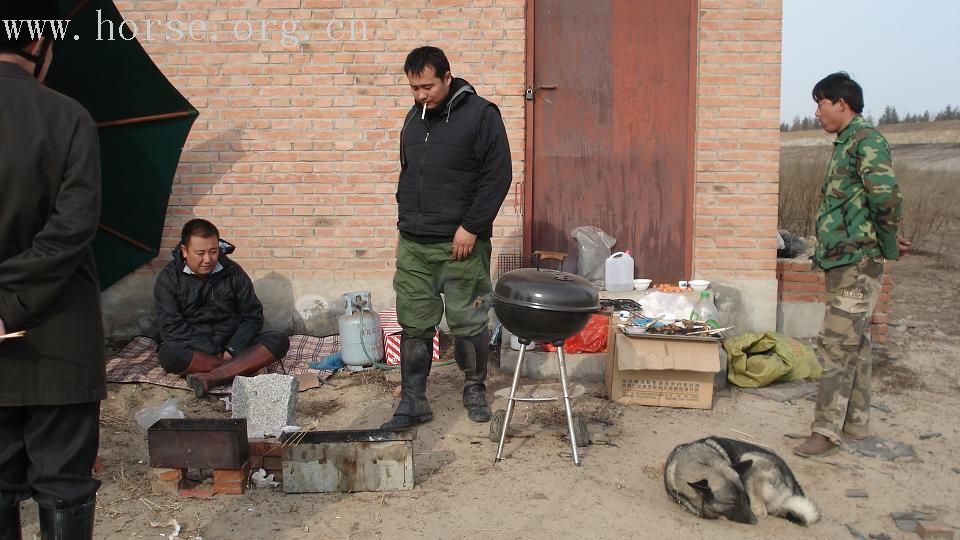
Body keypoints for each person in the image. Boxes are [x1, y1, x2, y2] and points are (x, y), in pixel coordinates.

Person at [0, 2, 104, 537]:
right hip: (58, 341)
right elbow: (73, 227)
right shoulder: (68, 115)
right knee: (64, 484)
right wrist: (9, 306)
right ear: (38, 45)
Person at [381, 46, 513, 429]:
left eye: (427, 86)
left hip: (461, 245)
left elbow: (497, 175)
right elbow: (410, 174)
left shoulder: (481, 115)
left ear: (447, 77)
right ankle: (413, 400)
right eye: (414, 88)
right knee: (415, 322)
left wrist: (472, 226)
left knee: (469, 321)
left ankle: (474, 389)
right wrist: (405, 220)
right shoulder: (414, 117)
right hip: (414, 245)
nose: (421, 95)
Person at [794, 72, 910, 457]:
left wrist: (887, 244)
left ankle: (825, 432)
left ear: (841, 104)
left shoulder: (866, 140)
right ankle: (856, 424)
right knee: (854, 343)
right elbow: (862, 204)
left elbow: (885, 196)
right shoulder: (847, 143)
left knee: (835, 346)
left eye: (821, 103)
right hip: (845, 259)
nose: (816, 112)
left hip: (857, 263)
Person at [154, 219, 290, 398]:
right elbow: (171, 327)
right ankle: (246, 368)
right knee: (170, 354)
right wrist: (216, 352)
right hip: (197, 350)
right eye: (200, 253)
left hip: (234, 345)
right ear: (184, 251)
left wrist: (232, 349)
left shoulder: (233, 272)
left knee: (278, 340)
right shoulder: (168, 279)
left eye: (213, 251)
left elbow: (252, 316)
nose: (208, 259)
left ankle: (212, 377)